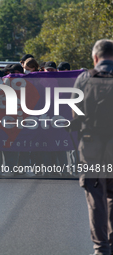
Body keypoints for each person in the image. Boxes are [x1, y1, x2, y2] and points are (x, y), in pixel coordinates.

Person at [73, 39, 113, 255]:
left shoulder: (84, 78)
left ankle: (101, 248)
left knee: (96, 194)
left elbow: (75, 114)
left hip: (92, 144)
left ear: (95, 57)